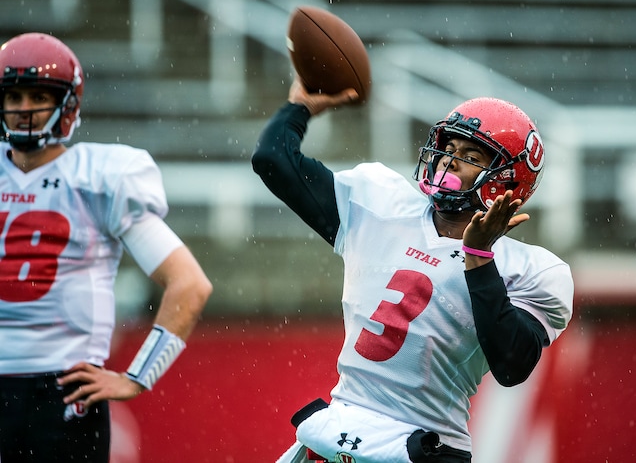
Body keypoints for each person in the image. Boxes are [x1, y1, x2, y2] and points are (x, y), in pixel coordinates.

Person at [252, 77, 574, 463]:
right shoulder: (382, 202)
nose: (449, 160)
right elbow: (272, 159)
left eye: (471, 155)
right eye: (448, 147)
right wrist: (299, 107)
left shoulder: (532, 269)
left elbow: (511, 366)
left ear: (507, 179)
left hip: (421, 447)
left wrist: (478, 257)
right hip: (340, 428)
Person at [0, 32, 212, 462]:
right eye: (14, 96)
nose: (24, 110)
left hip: (61, 391)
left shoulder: (99, 177)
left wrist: (137, 377)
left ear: (67, 104)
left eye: (38, 95)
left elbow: (189, 284)